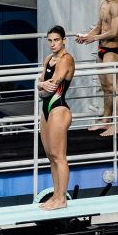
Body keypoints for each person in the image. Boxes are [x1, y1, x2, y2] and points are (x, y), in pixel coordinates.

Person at [74, 0, 118, 138]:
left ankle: (116, 125)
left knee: (115, 88)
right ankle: (105, 120)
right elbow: (99, 26)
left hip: (112, 51)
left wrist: (94, 38)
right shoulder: (103, 4)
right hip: (101, 50)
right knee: (105, 88)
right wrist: (86, 36)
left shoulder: (117, 4)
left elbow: (115, 32)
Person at [36, 26, 75, 210]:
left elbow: (51, 87)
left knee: (59, 156)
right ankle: (56, 195)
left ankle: (62, 199)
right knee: (51, 156)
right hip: (46, 110)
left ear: (64, 40)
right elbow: (41, 90)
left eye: (56, 40)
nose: (53, 44)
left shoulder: (67, 59)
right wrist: (41, 85)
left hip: (59, 109)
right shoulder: (48, 60)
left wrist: (40, 84)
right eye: (50, 40)